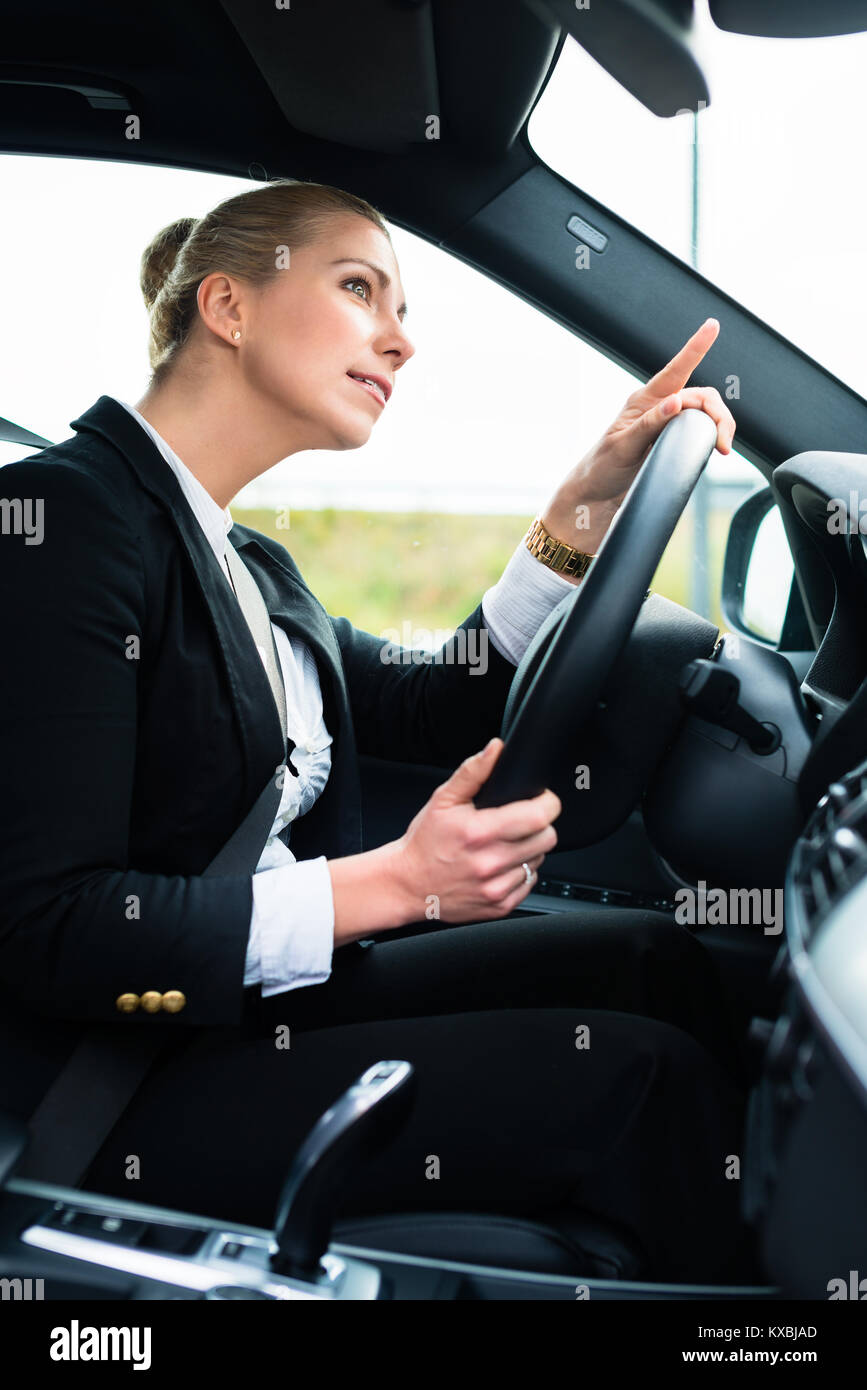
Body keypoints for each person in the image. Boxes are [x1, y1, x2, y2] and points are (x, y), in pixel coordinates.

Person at [0, 178, 748, 1283]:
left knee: (655, 962)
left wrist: (583, 507)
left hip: (258, 1011)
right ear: (229, 306)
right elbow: (50, 927)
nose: (400, 343)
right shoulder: (61, 523)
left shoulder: (245, 558)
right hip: (121, 1081)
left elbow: (427, 701)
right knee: (644, 1077)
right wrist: (397, 885)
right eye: (362, 289)